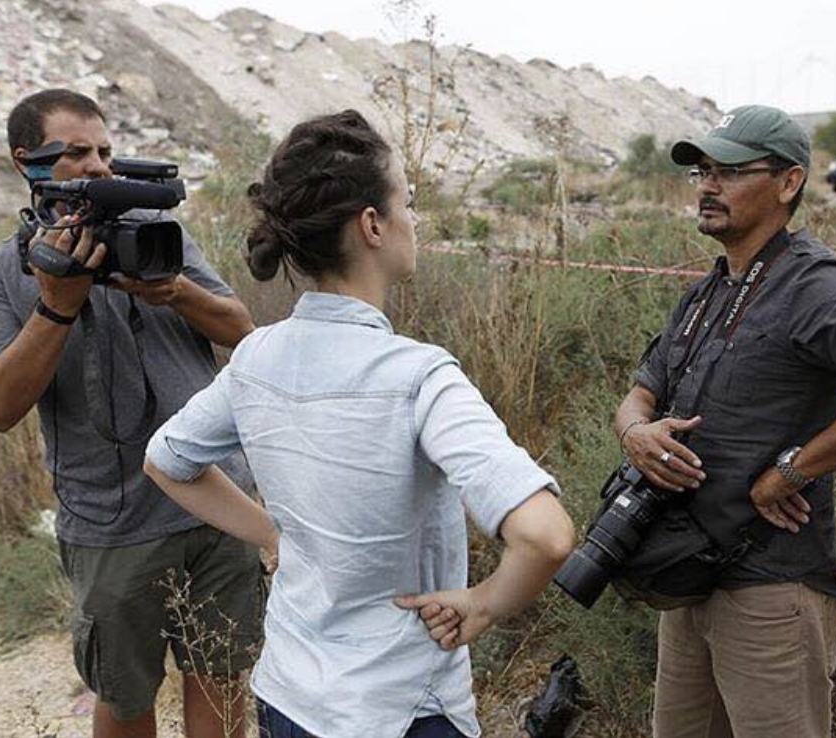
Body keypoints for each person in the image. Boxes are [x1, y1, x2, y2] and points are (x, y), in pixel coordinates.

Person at [143, 109, 575, 738]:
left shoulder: (256, 356)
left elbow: (166, 461)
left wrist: (273, 535)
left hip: (289, 697)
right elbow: (546, 535)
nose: (417, 219)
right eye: (409, 200)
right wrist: (485, 605)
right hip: (401, 708)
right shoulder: (420, 377)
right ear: (372, 224)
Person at [613, 105, 836, 738]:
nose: (709, 186)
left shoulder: (816, 285)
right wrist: (636, 433)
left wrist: (790, 472)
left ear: (788, 183)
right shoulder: (708, 290)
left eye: (730, 171)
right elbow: (639, 393)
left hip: (769, 589)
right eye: (703, 171)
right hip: (686, 579)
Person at [0, 88, 262, 738]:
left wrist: (173, 289)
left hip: (220, 507)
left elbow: (242, 329)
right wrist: (56, 305)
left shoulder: (160, 237)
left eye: (104, 150)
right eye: (76, 152)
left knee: (223, 679)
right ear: (28, 162)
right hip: (112, 521)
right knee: (125, 696)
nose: (99, 167)